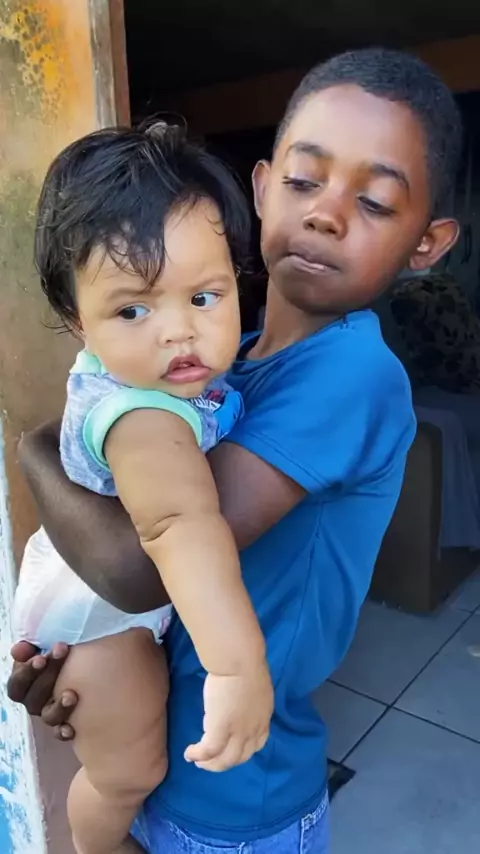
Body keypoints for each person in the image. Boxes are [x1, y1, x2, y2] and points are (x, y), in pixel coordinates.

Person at [8, 48, 462, 854]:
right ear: (261, 189)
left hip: (237, 796)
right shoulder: (220, 366)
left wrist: (37, 447)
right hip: (162, 756)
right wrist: (86, 654)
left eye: (375, 201)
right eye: (304, 180)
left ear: (426, 244)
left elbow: (139, 564)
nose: (327, 214)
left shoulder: (353, 373)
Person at [11, 123, 273, 854]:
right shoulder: (142, 414)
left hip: (107, 601)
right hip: (100, 623)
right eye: (133, 309)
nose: (177, 332)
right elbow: (177, 521)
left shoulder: (156, 375)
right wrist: (236, 664)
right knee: (127, 772)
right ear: (77, 319)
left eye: (205, 296)